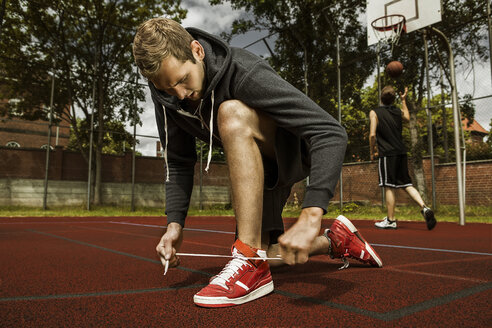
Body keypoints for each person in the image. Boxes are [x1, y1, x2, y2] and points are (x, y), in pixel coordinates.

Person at [133, 17, 383, 308]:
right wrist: (174, 225)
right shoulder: (169, 96)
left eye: (182, 80)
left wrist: (311, 214)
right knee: (267, 254)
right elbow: (178, 161)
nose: (179, 95)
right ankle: (335, 240)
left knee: (231, 113)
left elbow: (329, 132)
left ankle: (248, 260)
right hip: (257, 171)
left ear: (197, 51)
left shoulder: (243, 71)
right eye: (166, 88)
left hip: (288, 155)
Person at [369, 85, 437, 230]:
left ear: (381, 98)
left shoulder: (374, 112)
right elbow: (407, 117)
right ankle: (424, 207)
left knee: (388, 186)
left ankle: (391, 220)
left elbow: (372, 134)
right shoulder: (397, 111)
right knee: (406, 184)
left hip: (387, 154)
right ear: (393, 99)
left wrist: (372, 151)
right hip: (401, 152)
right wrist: (404, 100)